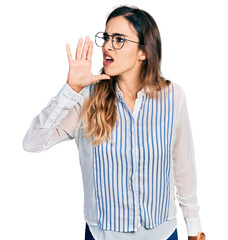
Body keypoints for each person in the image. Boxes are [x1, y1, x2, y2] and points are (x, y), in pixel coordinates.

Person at [22, 5, 205, 240]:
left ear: (144, 51)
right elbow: (33, 142)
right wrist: (71, 90)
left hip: (163, 233)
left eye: (119, 39)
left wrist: (194, 228)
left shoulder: (172, 96)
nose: (107, 45)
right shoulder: (86, 97)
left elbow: (183, 167)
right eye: (107, 37)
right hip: (103, 235)